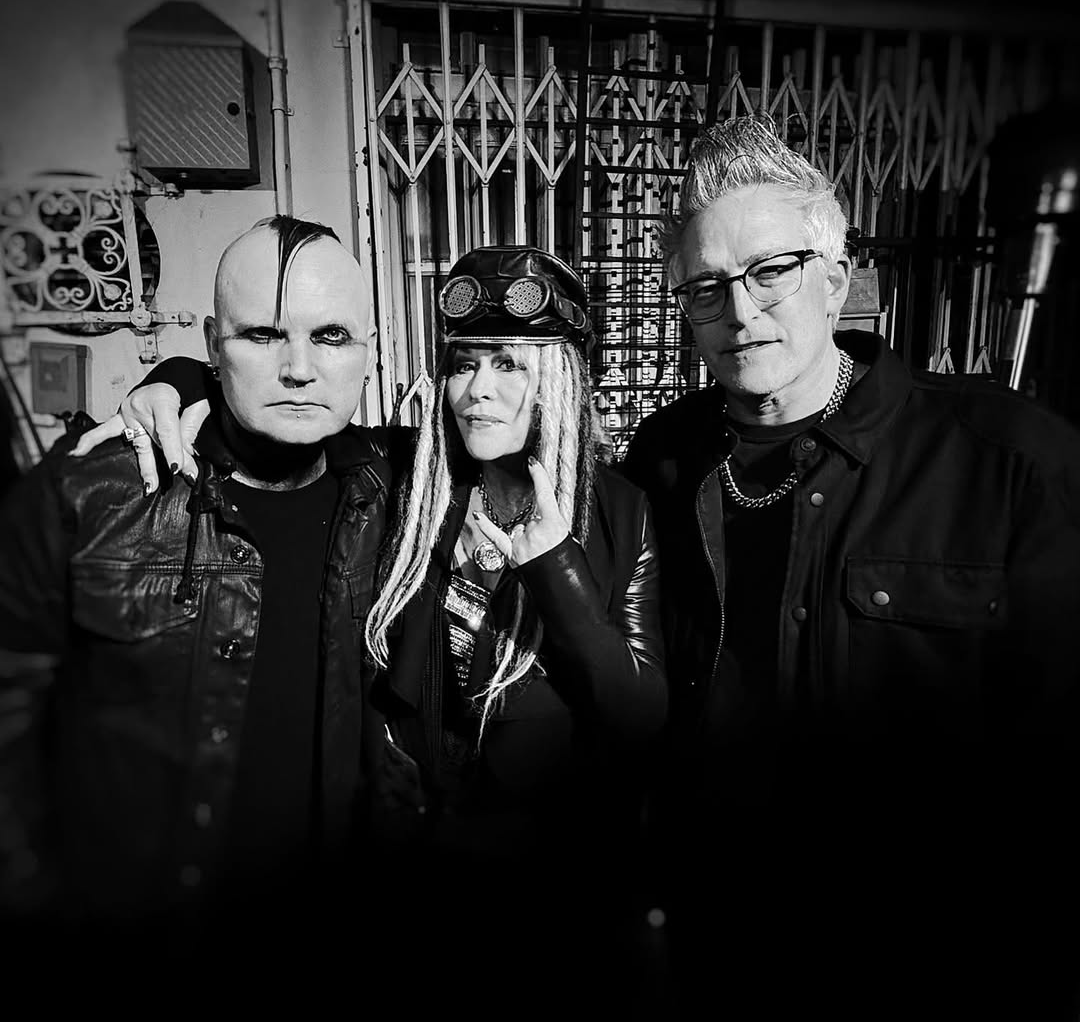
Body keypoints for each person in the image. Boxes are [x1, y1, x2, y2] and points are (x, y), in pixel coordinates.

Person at [65, 244, 670, 1014]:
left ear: (557, 377)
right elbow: (277, 412)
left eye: (508, 366)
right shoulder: (404, 473)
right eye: (463, 364)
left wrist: (555, 566)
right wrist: (178, 376)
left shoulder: (619, 513)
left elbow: (638, 714)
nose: (477, 390)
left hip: (545, 893)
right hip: (402, 879)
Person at [621, 115, 1080, 1019]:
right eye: (707, 288)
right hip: (721, 937)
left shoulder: (1008, 461)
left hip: (924, 955)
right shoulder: (664, 459)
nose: (741, 312)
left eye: (771, 272)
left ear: (835, 281)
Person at [0, 214, 403, 987]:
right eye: (262, 335)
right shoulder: (87, 494)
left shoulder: (391, 487)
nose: (298, 369)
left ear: (369, 350)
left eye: (330, 337)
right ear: (215, 344)